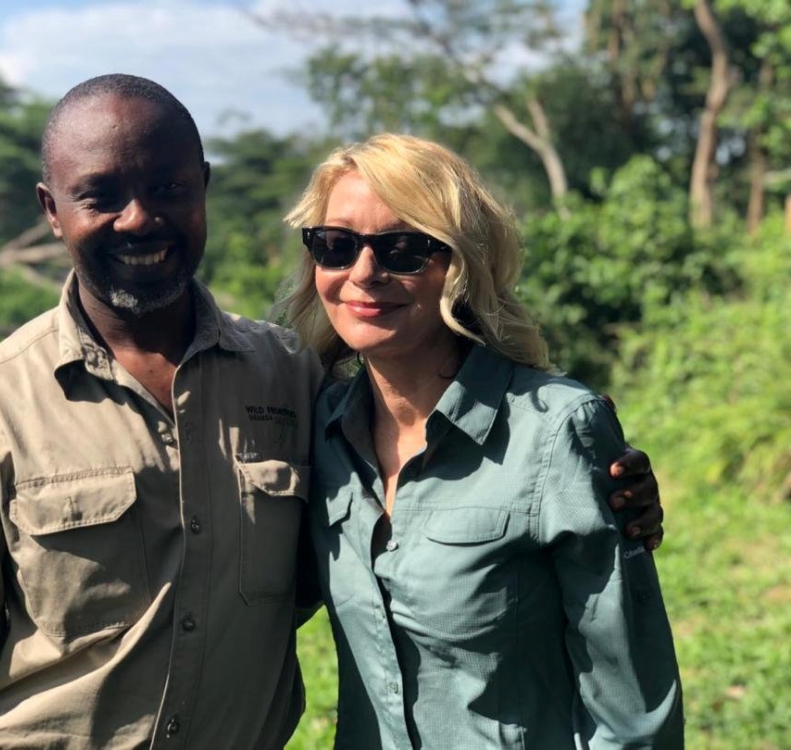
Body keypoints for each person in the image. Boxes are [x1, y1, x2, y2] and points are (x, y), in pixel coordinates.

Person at [0, 75, 663, 749]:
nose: (139, 219)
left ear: (203, 190)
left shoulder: (291, 380)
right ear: (53, 210)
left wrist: (606, 481)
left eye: (404, 249)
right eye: (333, 244)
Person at [280, 133, 684, 749]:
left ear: (461, 265)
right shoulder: (321, 428)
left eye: (405, 249)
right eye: (336, 246)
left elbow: (633, 717)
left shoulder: (553, 433)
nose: (364, 273)